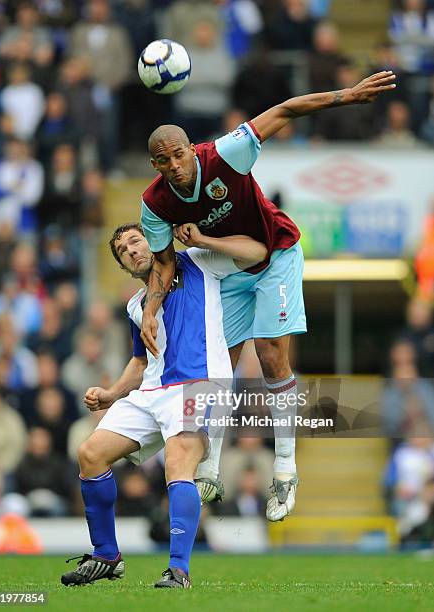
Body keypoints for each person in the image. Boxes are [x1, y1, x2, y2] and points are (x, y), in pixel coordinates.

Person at [140, 70, 397, 522]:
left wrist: (346, 96)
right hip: (230, 267)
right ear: (156, 165)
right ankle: (212, 467)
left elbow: (285, 109)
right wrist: (151, 309)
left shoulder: (225, 153)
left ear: (189, 149)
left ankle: (285, 468)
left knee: (271, 355)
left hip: (276, 252)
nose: (175, 166)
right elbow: (163, 265)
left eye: (179, 155)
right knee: (218, 362)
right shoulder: (155, 203)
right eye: (164, 162)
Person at [60, 221, 267, 589]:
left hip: (200, 384)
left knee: (177, 463)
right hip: (152, 393)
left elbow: (258, 251)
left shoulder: (198, 262)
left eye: (136, 241)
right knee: (90, 454)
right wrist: (111, 394)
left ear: (153, 240)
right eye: (123, 251)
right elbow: (141, 363)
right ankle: (107, 555)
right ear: (124, 267)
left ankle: (178, 570)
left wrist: (202, 238)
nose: (132, 250)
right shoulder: (136, 305)